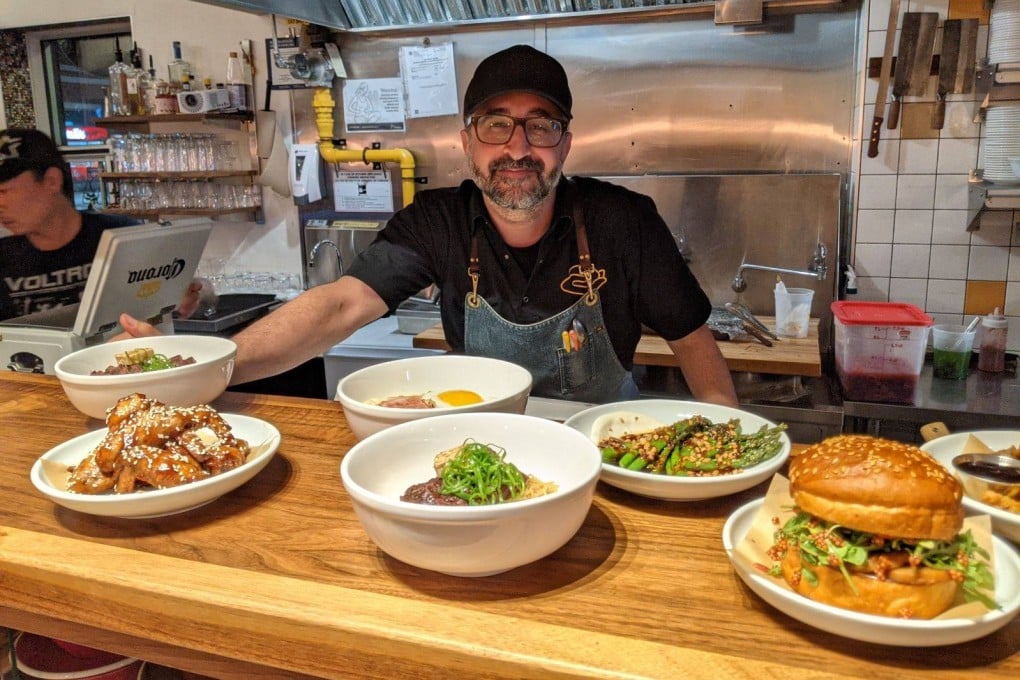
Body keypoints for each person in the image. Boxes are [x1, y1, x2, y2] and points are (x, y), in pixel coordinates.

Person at [121, 45, 737, 406]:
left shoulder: (624, 222)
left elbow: (693, 343)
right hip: (485, 456)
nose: (517, 147)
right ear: (468, 143)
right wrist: (207, 367)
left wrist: (729, 475)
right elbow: (337, 307)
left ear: (565, 145)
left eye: (540, 125)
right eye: (496, 124)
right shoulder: (439, 223)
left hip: (607, 452)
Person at [0, 127, 202, 321]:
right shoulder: (4, 258)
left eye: (4, 192)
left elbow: (178, 300)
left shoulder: (123, 237)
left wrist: (181, 299)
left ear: (52, 181)